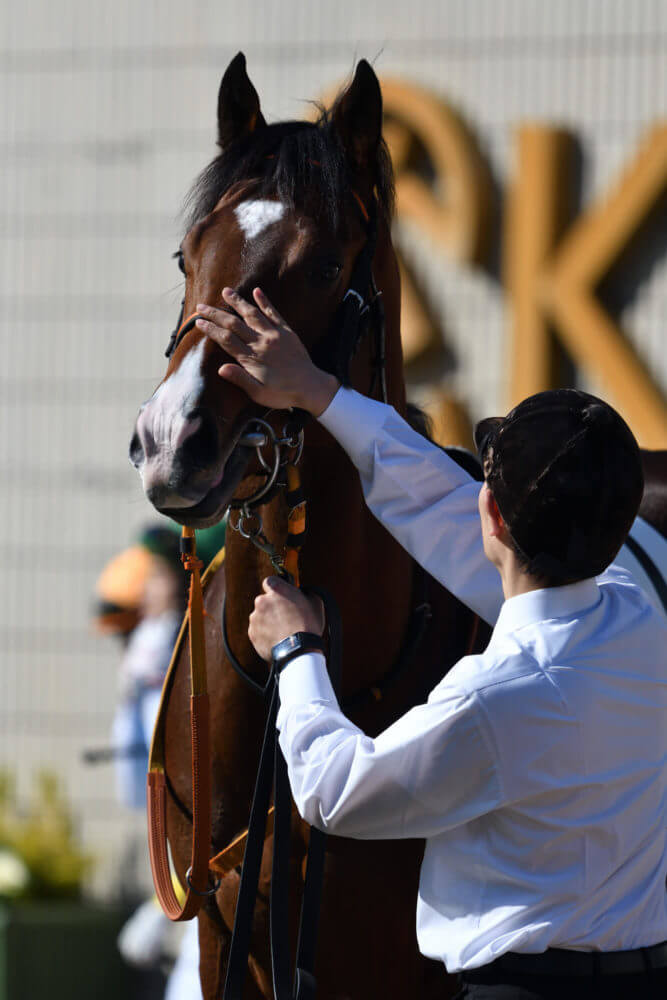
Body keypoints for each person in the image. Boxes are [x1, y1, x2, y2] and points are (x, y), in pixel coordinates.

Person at [194, 288, 667, 999]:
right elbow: (441, 508)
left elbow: (338, 792)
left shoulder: (494, 695)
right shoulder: (643, 608)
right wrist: (322, 394)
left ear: (491, 511)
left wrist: (296, 654)